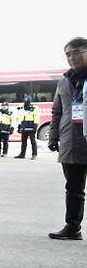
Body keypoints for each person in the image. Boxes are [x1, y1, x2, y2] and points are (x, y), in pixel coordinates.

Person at [48, 37, 87, 241]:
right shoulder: (64, 81)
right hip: (72, 142)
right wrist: (53, 137)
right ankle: (73, 227)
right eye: (68, 54)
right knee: (73, 188)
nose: (72, 57)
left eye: (77, 52)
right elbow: (57, 111)